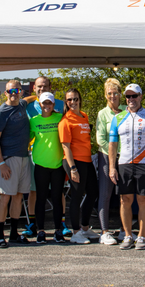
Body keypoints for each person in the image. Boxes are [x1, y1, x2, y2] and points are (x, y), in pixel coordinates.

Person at [109, 84, 145, 250]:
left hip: (144, 164)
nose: (131, 99)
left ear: (140, 96)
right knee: (125, 201)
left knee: (143, 200)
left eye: (134, 96)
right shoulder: (117, 118)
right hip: (124, 164)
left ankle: (141, 236)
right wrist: (112, 167)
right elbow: (112, 144)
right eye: (128, 96)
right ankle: (127, 235)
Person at [24, 76, 68, 238]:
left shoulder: (61, 106)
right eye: (39, 87)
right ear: (34, 88)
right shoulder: (28, 106)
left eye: (45, 86)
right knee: (34, 192)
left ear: (50, 88)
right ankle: (34, 224)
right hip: (36, 158)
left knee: (58, 194)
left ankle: (61, 224)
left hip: (57, 158)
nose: (42, 89)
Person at [0, 80, 32, 248]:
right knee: (5, 197)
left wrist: (39, 96)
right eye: (10, 90)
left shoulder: (22, 104)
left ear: (21, 91)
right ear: (5, 92)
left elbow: (30, 99)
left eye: (17, 90)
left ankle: (14, 233)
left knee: (18, 197)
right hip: (9, 159)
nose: (14, 93)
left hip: (24, 157)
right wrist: (1, 163)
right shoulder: (2, 112)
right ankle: (0, 235)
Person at [59, 88, 100, 244]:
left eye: (75, 99)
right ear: (66, 102)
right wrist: (73, 168)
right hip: (74, 161)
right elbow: (66, 147)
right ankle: (75, 232)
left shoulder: (84, 116)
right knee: (76, 196)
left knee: (93, 192)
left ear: (80, 100)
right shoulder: (66, 121)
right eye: (69, 100)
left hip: (87, 160)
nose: (73, 102)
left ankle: (84, 227)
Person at [96, 78, 125, 245]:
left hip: (125, 158)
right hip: (107, 157)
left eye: (115, 93)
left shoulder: (125, 112)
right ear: (105, 95)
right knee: (105, 194)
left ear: (120, 94)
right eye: (109, 93)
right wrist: (114, 154)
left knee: (124, 196)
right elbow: (100, 139)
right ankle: (105, 231)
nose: (112, 96)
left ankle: (123, 230)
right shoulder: (102, 113)